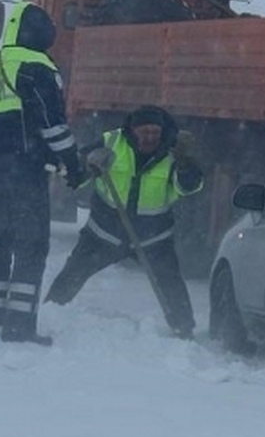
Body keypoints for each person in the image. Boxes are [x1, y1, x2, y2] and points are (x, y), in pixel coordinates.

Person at [0, 1, 85, 346]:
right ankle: (19, 326)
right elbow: (53, 126)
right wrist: (72, 165)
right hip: (27, 171)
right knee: (31, 247)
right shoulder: (38, 67)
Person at [45, 105, 203, 339]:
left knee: (170, 283)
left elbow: (188, 188)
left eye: (154, 133)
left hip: (153, 238)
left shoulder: (173, 152)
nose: (150, 138)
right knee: (73, 273)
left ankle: (184, 330)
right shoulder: (111, 142)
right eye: (144, 132)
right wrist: (89, 164)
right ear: (133, 130)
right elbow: (74, 176)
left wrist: (187, 163)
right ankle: (49, 314)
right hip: (104, 233)